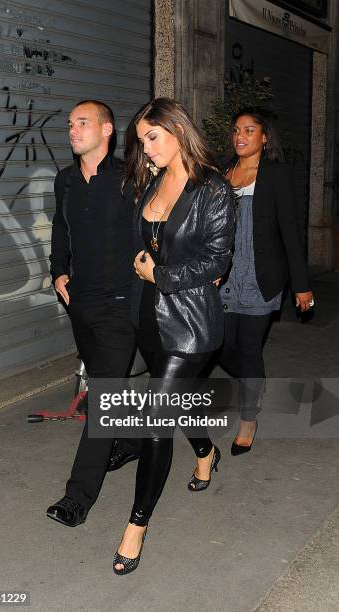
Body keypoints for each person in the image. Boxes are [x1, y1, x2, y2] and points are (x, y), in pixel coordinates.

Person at [112, 97, 235, 575]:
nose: (146, 149)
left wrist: (159, 275)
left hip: (190, 323)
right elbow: (145, 241)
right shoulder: (152, 181)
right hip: (150, 317)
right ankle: (205, 451)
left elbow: (216, 261)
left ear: (178, 131)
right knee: (178, 403)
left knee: (156, 420)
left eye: (152, 138)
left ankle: (135, 527)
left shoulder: (213, 189)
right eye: (141, 141)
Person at [46, 99, 140, 527]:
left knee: (103, 398)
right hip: (80, 302)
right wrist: (58, 272)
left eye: (82, 122)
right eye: (70, 123)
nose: (73, 129)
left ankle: (77, 497)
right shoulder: (64, 180)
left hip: (122, 304)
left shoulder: (131, 179)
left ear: (107, 130)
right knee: (108, 387)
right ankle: (135, 439)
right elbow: (60, 229)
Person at [218, 107, 314, 454]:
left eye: (249, 130)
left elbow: (290, 231)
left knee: (248, 347)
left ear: (264, 137)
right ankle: (252, 379)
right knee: (220, 345)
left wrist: (302, 284)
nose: (240, 136)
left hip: (261, 276)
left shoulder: (276, 174)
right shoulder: (223, 171)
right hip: (224, 276)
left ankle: (248, 418)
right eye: (236, 130)